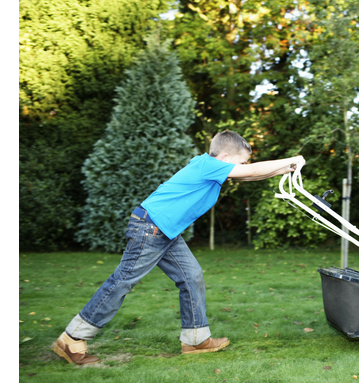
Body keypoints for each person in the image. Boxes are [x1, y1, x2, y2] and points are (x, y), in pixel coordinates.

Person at [52, 130, 305, 365]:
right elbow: (249, 173)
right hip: (151, 228)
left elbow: (252, 174)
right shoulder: (207, 165)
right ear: (225, 157)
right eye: (240, 163)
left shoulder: (210, 168)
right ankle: (72, 338)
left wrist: (282, 170)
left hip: (166, 231)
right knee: (123, 281)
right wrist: (294, 158)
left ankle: (196, 340)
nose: (242, 168)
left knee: (191, 276)